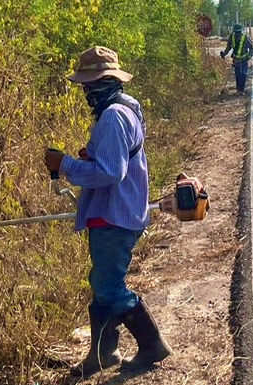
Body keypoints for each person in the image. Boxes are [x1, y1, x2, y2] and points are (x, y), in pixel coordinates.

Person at [43, 46, 171, 378]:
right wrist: (93, 153)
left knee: (109, 286)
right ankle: (102, 354)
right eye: (85, 84)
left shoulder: (113, 115)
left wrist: (66, 164)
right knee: (102, 282)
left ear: (106, 82)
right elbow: (116, 159)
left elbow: (111, 173)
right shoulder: (127, 107)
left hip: (114, 214)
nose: (87, 90)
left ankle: (152, 344)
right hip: (119, 210)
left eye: (92, 83)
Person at [220, 23, 253, 94]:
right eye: (236, 32)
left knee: (243, 74)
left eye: (238, 32)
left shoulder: (245, 38)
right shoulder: (231, 37)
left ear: (241, 31)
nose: (237, 34)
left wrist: (249, 56)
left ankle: (242, 90)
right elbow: (228, 47)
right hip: (236, 60)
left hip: (244, 59)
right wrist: (224, 53)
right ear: (234, 32)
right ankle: (239, 90)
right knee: (238, 75)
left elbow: (251, 48)